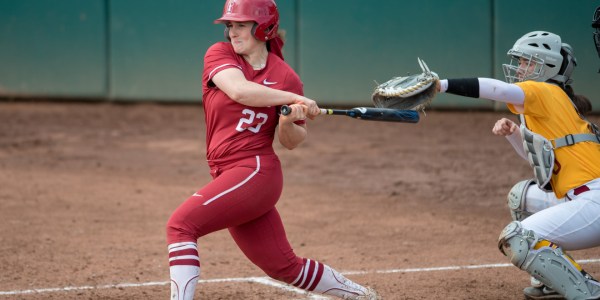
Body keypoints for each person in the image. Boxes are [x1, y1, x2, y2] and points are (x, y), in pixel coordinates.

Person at [165, 0, 379, 299]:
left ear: (263, 28)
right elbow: (239, 90)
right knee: (284, 266)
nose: (232, 32)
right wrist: (292, 98)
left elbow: (292, 141)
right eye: (230, 25)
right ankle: (365, 296)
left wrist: (288, 119)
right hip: (229, 173)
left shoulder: (286, 76)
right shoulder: (220, 54)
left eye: (240, 25)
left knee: (181, 226)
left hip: (255, 171)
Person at [436, 31, 600, 300]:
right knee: (521, 197)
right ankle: (551, 281)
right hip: (585, 201)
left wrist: (441, 85)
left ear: (544, 66)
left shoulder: (544, 89)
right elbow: (538, 162)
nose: (519, 67)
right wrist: (514, 134)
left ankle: (588, 292)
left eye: (526, 61)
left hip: (594, 203)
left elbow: (497, 90)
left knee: (517, 237)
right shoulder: (546, 104)